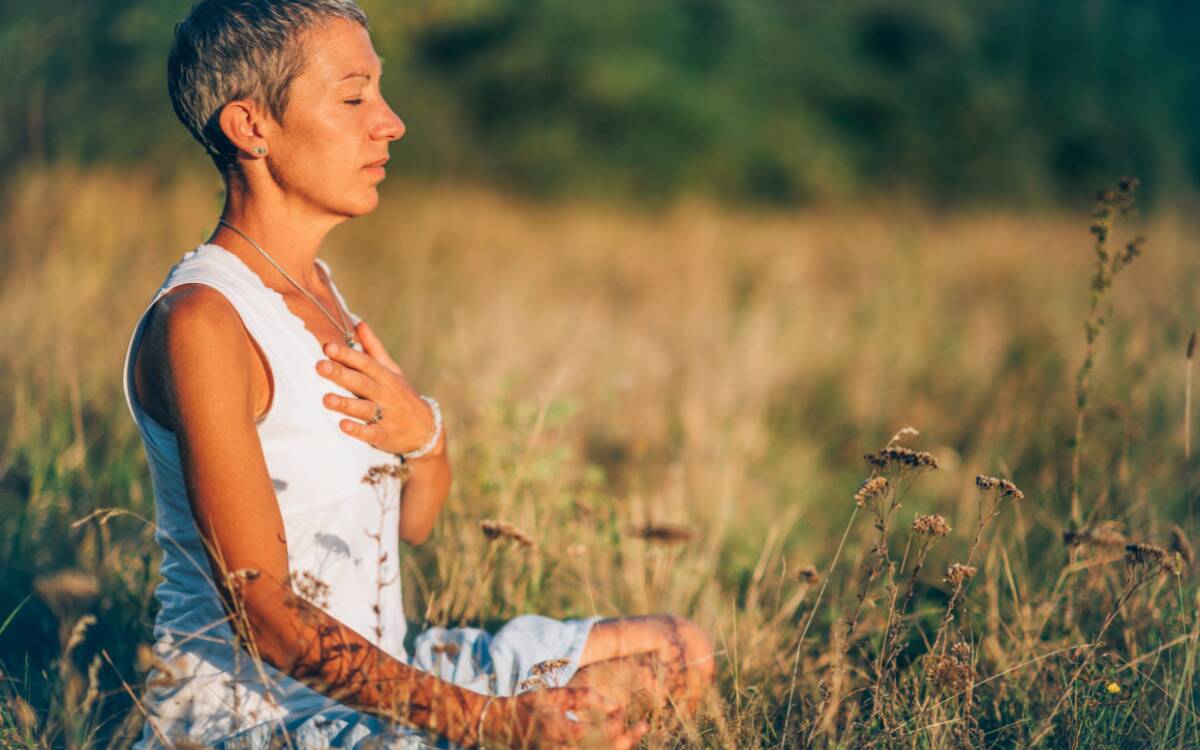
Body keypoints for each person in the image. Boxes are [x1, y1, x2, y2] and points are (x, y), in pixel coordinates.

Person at [121, 1, 715, 747]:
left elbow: (417, 521)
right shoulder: (203, 321)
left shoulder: (320, 288)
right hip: (256, 721)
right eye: (354, 96)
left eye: (381, 91)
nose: (391, 122)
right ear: (251, 127)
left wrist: (426, 438)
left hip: (387, 675)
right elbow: (262, 614)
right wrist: (496, 724)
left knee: (674, 649)